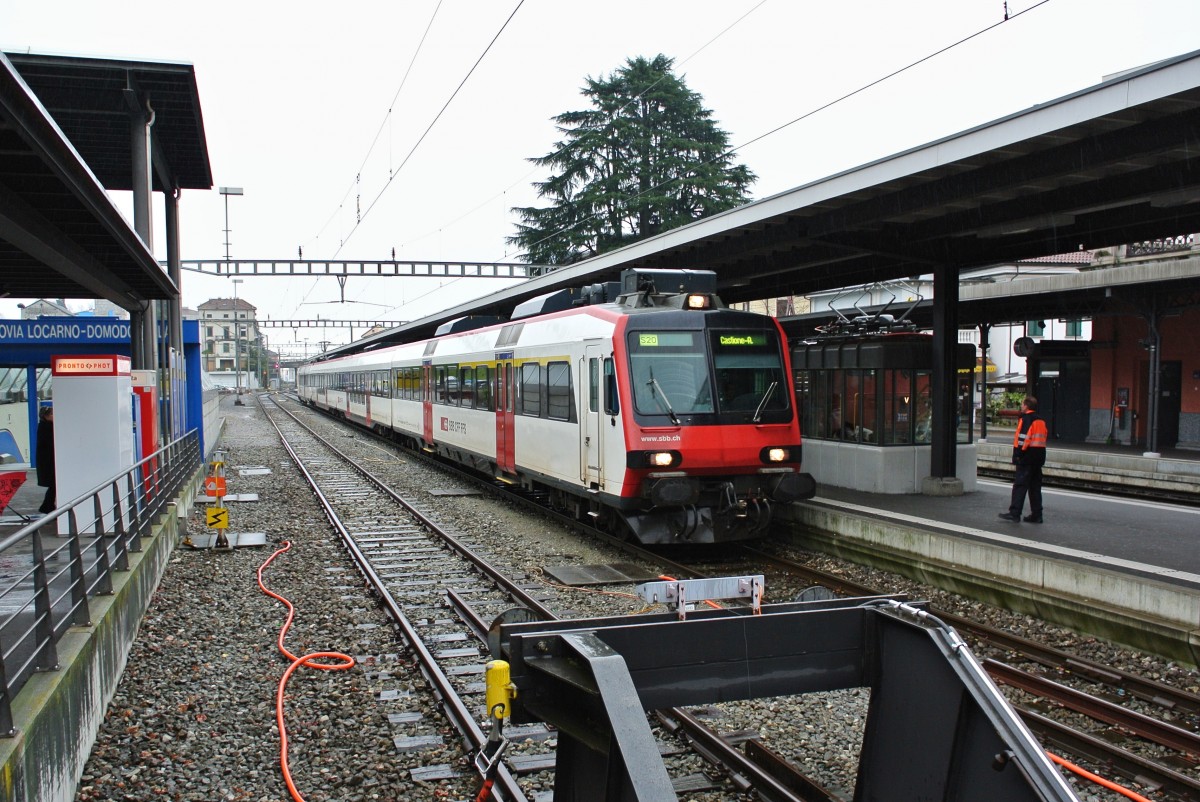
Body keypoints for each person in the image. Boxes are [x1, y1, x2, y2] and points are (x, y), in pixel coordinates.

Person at [998, 395, 1047, 523]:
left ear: (1026, 406)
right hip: (1039, 457)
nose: (1021, 406)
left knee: (1020, 485)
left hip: (1027, 457)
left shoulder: (1026, 419)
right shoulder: (1041, 420)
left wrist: (1019, 454)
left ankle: (1015, 513)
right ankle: (1037, 515)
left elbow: (1023, 438)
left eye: (1022, 404)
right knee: (1035, 487)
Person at [36, 405, 55, 515]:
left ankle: (47, 506)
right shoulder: (46, 428)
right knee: (53, 484)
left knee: (53, 485)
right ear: (46, 416)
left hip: (48, 462)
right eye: (52, 414)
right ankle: (47, 506)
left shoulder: (45, 426)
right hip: (48, 463)